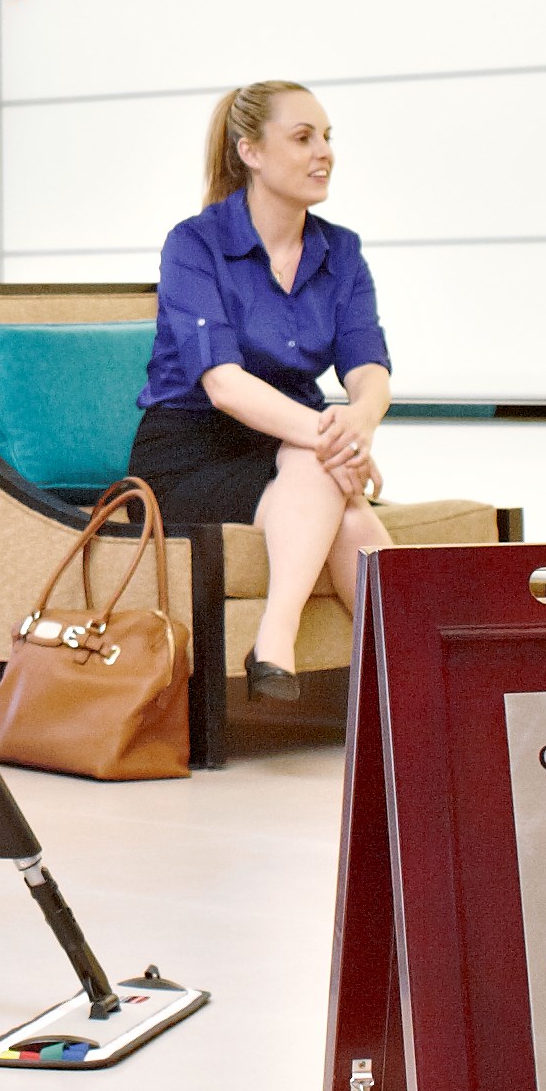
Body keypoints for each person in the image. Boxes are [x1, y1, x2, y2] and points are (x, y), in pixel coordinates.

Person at [127, 81, 398, 712]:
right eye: (303, 138)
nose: (323, 152)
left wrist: (355, 424)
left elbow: (369, 366)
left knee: (331, 482)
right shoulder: (194, 244)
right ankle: (421, 689)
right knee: (335, 484)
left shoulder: (341, 251)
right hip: (190, 452)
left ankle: (280, 649)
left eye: (327, 137)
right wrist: (337, 441)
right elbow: (221, 384)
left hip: (290, 443)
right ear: (250, 151)